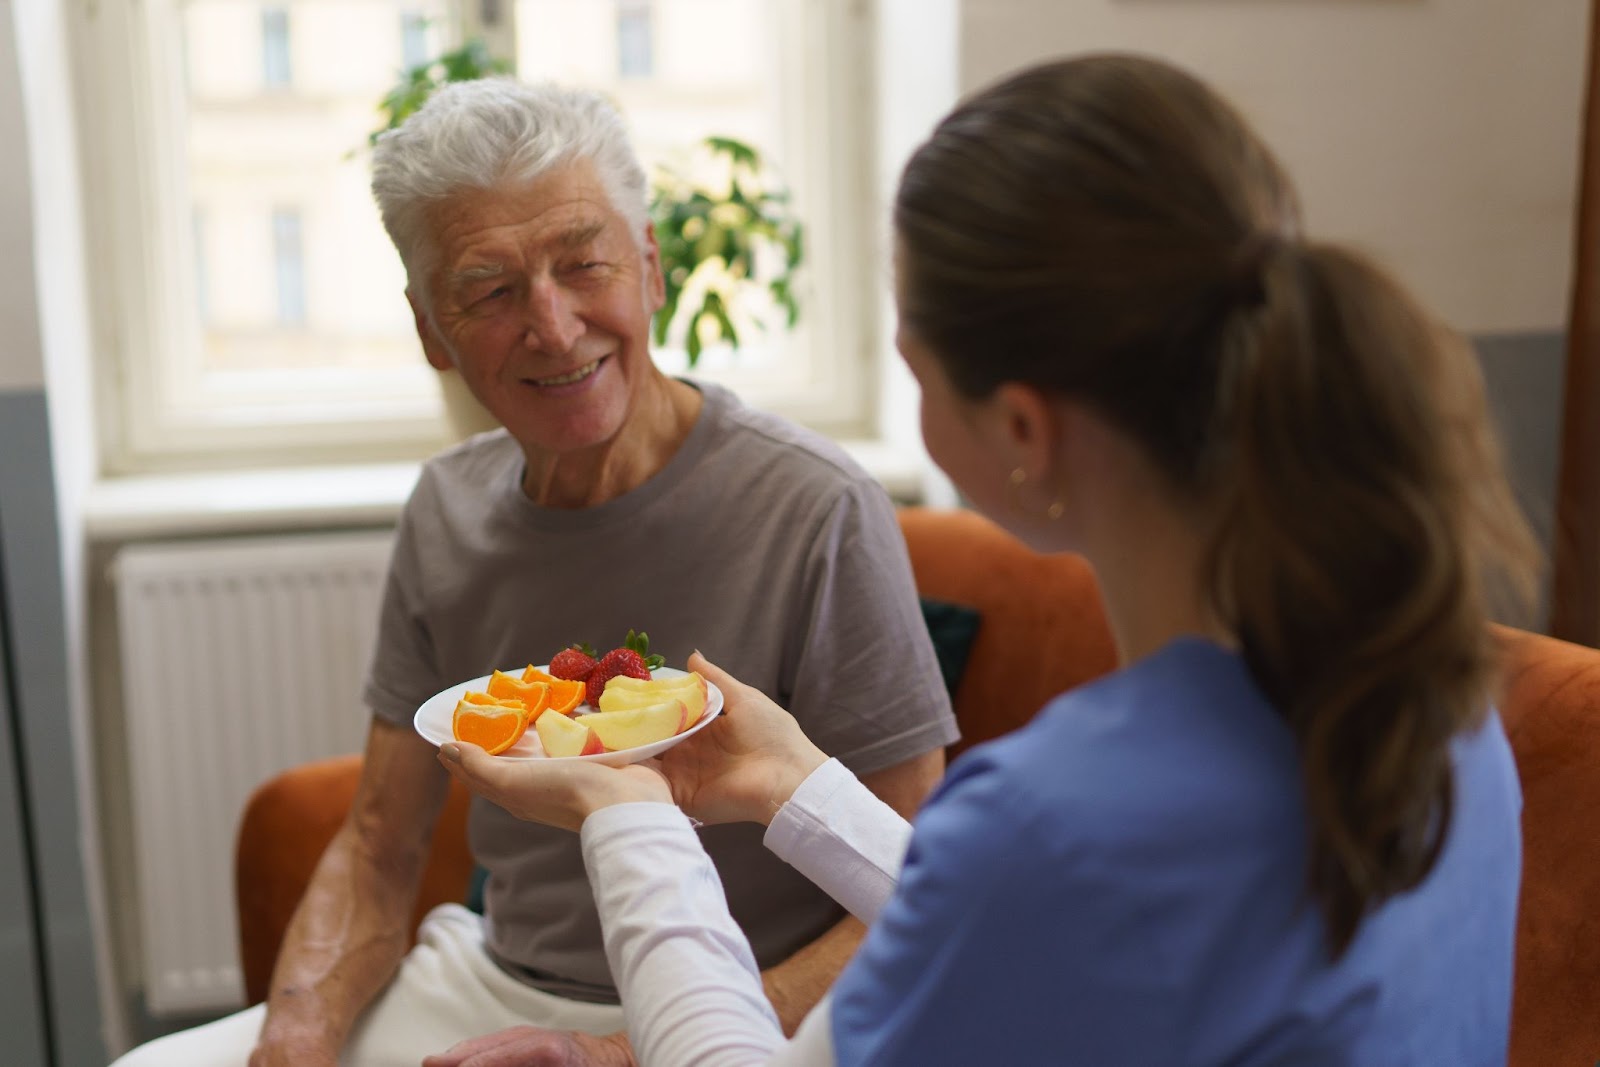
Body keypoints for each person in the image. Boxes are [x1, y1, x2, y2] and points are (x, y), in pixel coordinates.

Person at [429, 52, 1543, 1067]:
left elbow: (1033, 887)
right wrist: (799, 785)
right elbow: (1041, 924)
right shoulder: (1431, 713)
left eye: (911, 356)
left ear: (1020, 429)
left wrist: (627, 814)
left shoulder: (1053, 819)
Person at [110, 79, 957, 1067]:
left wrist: (627, 1048)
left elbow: (911, 879)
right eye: (490, 290)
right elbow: (381, 844)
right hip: (485, 979)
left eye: (583, 265)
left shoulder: (817, 506)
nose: (553, 327)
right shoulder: (446, 507)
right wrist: (298, 1034)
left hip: (743, 1007)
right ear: (431, 330)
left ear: (650, 269)